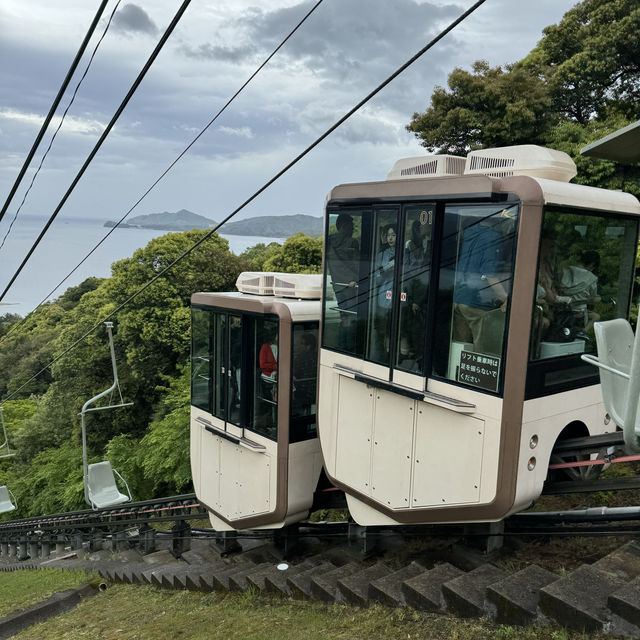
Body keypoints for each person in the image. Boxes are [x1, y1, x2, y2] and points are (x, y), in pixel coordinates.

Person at [452, 218, 509, 355]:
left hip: (459, 298)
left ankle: (458, 374)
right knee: (482, 349)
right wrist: (505, 298)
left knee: (461, 346)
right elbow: (489, 274)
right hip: (476, 301)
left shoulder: (469, 233)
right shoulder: (492, 237)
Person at [327, 213, 360, 351]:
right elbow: (358, 264)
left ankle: (341, 348)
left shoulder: (329, 241)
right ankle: (350, 350)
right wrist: (355, 279)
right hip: (351, 286)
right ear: (345, 226)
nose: (353, 229)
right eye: (351, 226)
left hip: (337, 286)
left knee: (344, 319)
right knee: (352, 320)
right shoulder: (352, 242)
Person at [372, 224, 397, 360]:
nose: (390, 238)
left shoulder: (406, 254)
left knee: (395, 332)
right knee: (382, 331)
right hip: (383, 298)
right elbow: (376, 278)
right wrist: (387, 268)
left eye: (393, 235)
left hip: (400, 299)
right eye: (388, 235)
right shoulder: (381, 255)